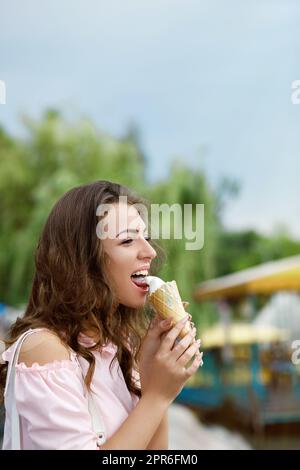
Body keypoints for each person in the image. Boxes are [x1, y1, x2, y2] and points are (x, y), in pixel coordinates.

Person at [0, 180, 202, 450]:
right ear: (84, 261)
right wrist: (156, 396)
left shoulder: (119, 349)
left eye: (146, 238)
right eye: (128, 240)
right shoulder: (44, 351)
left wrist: (150, 380)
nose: (150, 252)